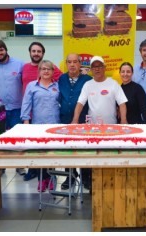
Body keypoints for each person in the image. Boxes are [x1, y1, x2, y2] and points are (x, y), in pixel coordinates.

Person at [22, 42, 62, 181]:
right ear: (39, 71)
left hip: (54, 124)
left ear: (52, 71)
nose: (46, 71)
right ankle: (41, 179)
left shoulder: (57, 86)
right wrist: (26, 121)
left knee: (52, 153)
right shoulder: (32, 86)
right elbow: (26, 104)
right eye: (43, 69)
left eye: (49, 69)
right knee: (39, 153)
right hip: (37, 125)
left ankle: (51, 179)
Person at [0, 39, 26, 176]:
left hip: (17, 107)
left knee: (18, 137)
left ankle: (19, 165)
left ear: (6, 50)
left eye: (1, 50)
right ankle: (0, 166)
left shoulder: (19, 64)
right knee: (0, 137)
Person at [58, 53, 92, 190]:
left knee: (84, 148)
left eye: (75, 62)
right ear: (66, 64)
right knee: (68, 148)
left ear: (80, 64)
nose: (72, 65)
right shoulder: (61, 78)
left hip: (83, 119)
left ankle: (86, 176)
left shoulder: (88, 80)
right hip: (65, 118)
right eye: (69, 62)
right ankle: (70, 175)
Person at [72, 55, 128, 125]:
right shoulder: (87, 85)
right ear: (91, 69)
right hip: (92, 127)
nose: (97, 69)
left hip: (111, 127)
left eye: (99, 66)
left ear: (104, 68)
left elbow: (122, 103)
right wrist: (75, 120)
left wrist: (123, 120)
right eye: (94, 67)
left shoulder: (114, 83)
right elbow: (80, 103)